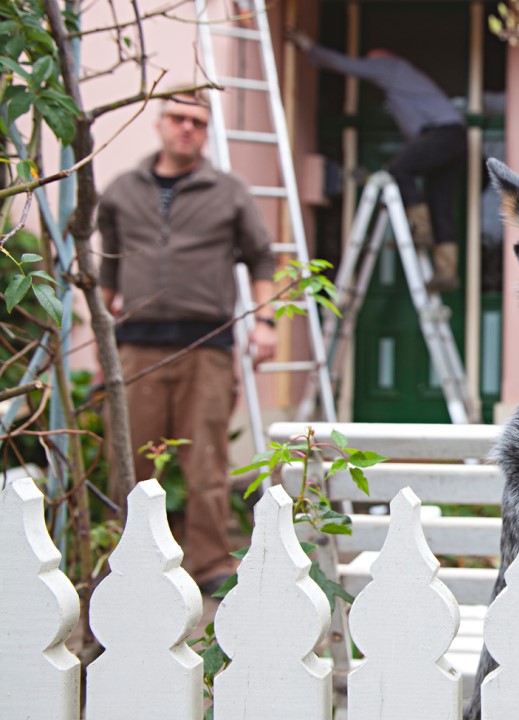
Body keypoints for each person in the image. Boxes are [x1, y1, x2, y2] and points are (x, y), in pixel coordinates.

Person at [98, 90, 279, 594]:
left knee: (206, 463)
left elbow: (262, 258)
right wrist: (98, 320)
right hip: (135, 344)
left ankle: (207, 567)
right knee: (131, 459)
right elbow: (109, 257)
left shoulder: (228, 191)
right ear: (160, 123)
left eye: (198, 122)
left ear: (206, 131)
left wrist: (266, 321)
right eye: (178, 118)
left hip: (206, 345)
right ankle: (128, 562)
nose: (187, 129)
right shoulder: (120, 189)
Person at [288, 29, 466, 292]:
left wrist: (309, 48)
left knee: (399, 169)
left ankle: (421, 229)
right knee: (440, 203)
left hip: (441, 133)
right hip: (453, 137)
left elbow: (347, 66)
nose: (371, 66)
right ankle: (446, 272)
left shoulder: (390, 66)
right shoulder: (407, 83)